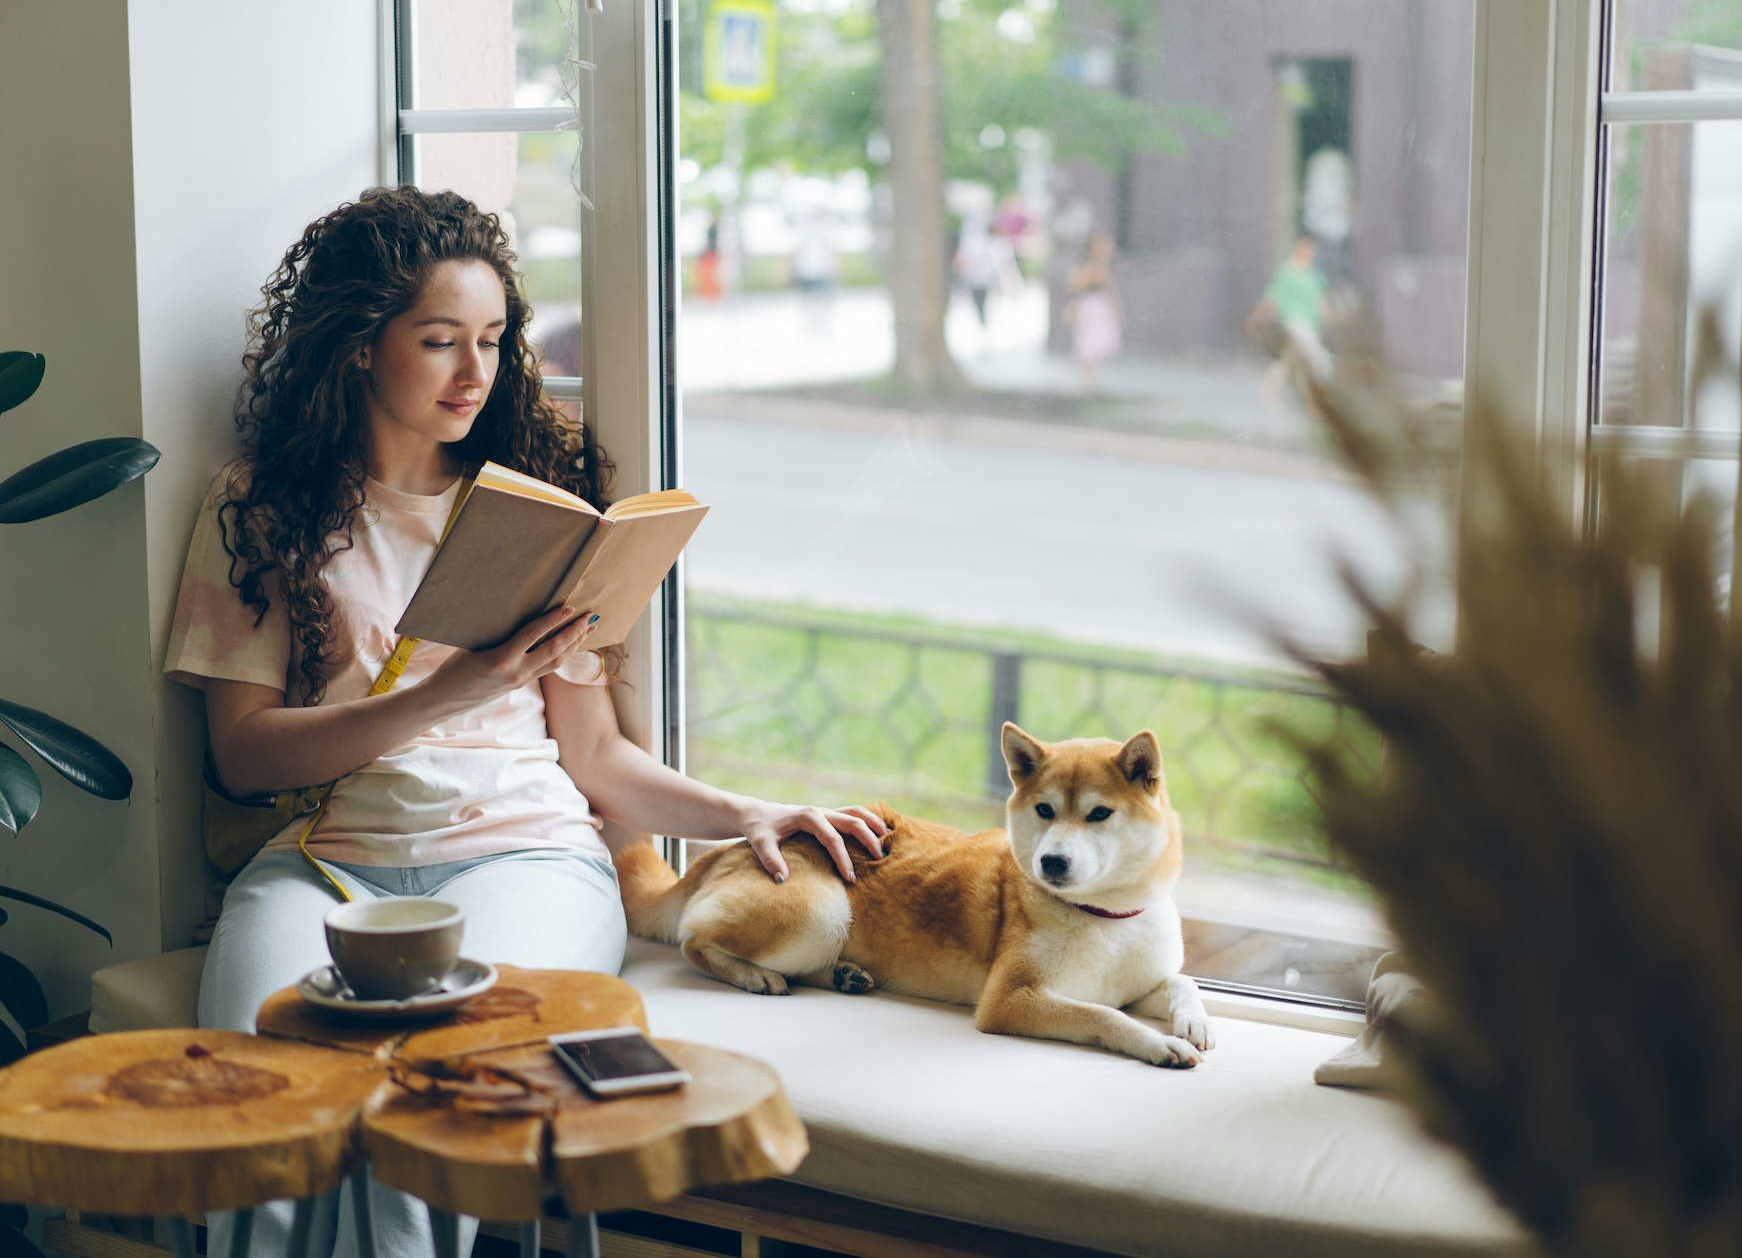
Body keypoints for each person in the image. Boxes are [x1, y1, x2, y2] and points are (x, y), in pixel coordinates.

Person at [163, 186, 886, 1258]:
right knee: (266, 1100)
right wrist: (443, 693)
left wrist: (751, 809)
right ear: (361, 345)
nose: (474, 373)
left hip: (524, 855)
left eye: (494, 341)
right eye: (441, 340)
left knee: (453, 1095)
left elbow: (595, 759)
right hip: (328, 864)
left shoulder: (533, 505)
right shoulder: (263, 505)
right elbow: (241, 756)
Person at [1246, 233, 1332, 406]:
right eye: (1306, 247)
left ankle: (1271, 388)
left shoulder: (1314, 275)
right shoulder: (1286, 271)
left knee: (1289, 359)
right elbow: (1272, 297)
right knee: (1316, 357)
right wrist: (1258, 318)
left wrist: (1331, 318)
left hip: (1310, 323)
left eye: (1312, 249)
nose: (1309, 252)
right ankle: (1318, 394)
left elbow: (1321, 303)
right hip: (1293, 323)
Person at [1066, 229, 1122, 389]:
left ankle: (1092, 377)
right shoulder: (1086, 266)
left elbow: (1112, 290)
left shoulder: (1105, 266)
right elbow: (1075, 284)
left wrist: (1117, 309)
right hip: (1088, 307)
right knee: (1087, 342)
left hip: (1102, 307)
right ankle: (1087, 377)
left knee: (1098, 342)